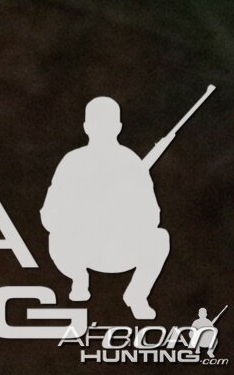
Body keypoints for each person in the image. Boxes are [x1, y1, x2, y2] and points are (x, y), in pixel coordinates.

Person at [42, 95, 172, 318]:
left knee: (160, 238)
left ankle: (137, 295)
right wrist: (82, 214)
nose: (102, 129)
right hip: (80, 249)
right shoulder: (72, 162)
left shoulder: (132, 163)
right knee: (56, 237)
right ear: (86, 127)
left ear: (118, 127)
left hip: (120, 248)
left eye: (107, 123)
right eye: (97, 123)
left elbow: (153, 216)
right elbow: (49, 215)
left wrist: (123, 212)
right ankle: (79, 279)